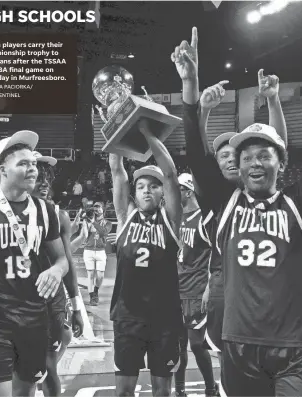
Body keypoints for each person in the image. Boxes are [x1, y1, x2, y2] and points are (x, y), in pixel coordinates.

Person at [177, 20, 302, 396]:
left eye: (264, 155)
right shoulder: (225, 202)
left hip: (296, 348)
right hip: (239, 345)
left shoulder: (298, 201)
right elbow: (196, 151)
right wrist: (190, 85)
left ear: (281, 163)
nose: (254, 163)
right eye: (247, 156)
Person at [175, 28, 288, 386]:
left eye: (232, 155)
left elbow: (278, 148)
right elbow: (196, 150)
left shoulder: (270, 192)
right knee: (235, 376)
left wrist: (273, 102)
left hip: (276, 295)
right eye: (221, 155)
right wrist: (197, 99)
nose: (227, 160)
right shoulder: (215, 198)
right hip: (230, 294)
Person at [0, 130, 68, 396]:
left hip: (34, 320)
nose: (32, 169)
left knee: (26, 392)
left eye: (33, 163)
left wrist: (56, 270)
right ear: (3, 170)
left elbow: (61, 259)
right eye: (23, 163)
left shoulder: (45, 210)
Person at [108, 120, 183, 397]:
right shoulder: (125, 216)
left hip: (164, 319)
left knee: (162, 392)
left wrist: (147, 134)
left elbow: (172, 174)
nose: (147, 190)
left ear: (162, 192)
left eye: (154, 185)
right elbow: (117, 171)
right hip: (128, 317)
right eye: (141, 186)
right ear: (134, 192)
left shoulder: (171, 220)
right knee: (124, 391)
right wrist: (116, 127)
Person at [31, 151, 85, 396]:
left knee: (46, 364)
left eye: (47, 178)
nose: (44, 183)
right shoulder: (2, 212)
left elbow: (67, 262)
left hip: (49, 301)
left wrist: (76, 307)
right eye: (38, 177)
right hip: (13, 298)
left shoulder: (58, 215)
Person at [174, 173, 219, 397]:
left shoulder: (203, 218)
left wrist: (209, 288)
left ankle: (211, 388)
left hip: (197, 289)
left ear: (188, 191)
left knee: (197, 345)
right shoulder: (175, 217)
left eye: (177, 189)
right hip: (176, 291)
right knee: (177, 347)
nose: (172, 194)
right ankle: (179, 391)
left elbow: (217, 255)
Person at [79, 201, 112, 306]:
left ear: (103, 210)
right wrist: (85, 222)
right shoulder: (87, 221)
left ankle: (96, 290)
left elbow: (103, 233)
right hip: (88, 250)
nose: (96, 209)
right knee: (90, 275)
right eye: (95, 207)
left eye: (98, 207)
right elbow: (84, 235)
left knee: (100, 275)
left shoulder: (107, 223)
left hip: (101, 251)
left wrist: (93, 222)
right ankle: (92, 296)